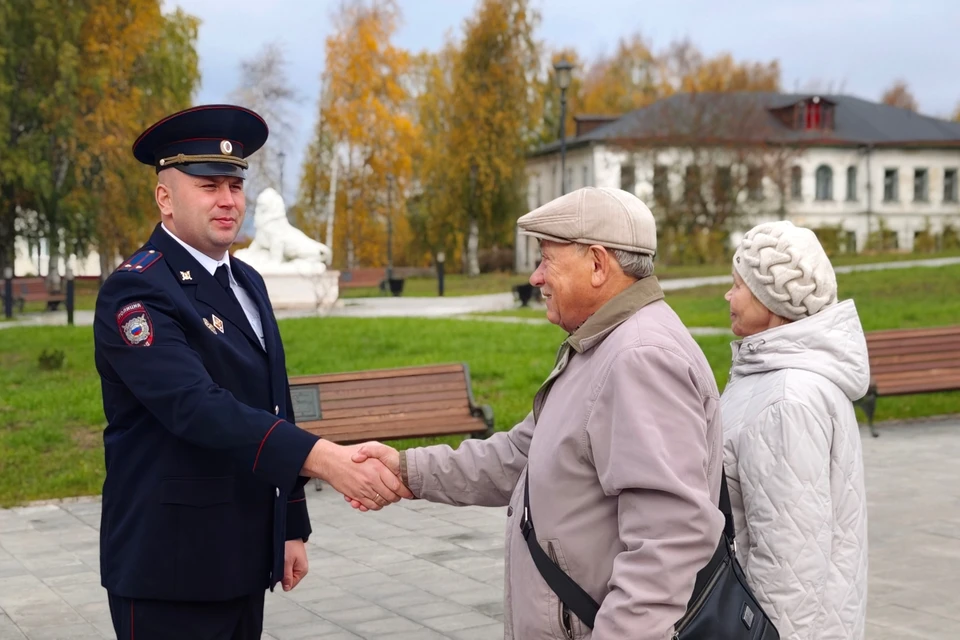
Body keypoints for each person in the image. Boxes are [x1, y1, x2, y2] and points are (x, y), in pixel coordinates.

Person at [350, 187, 726, 639]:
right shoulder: (603, 344)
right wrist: (407, 470)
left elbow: (669, 540)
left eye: (547, 259)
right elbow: (519, 455)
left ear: (598, 264)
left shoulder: (639, 358)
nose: (535, 277)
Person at [93, 104, 410, 640]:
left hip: (240, 556)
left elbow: (272, 402)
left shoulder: (247, 281)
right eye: (208, 185)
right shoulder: (138, 289)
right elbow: (196, 407)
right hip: (169, 564)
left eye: (235, 186)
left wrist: (289, 526)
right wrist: (323, 458)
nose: (227, 201)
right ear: (164, 198)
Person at [720, 220, 869, 640]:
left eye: (737, 285)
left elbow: (791, 564)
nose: (728, 295)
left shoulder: (787, 397)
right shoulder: (772, 378)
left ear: (772, 298)